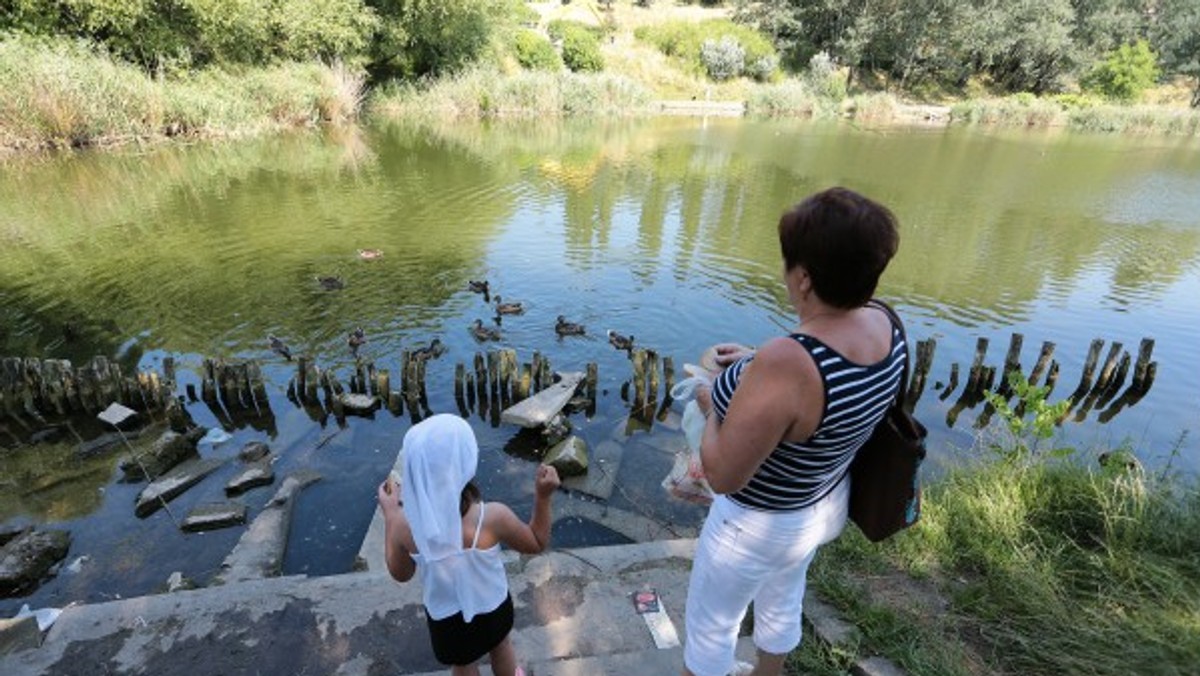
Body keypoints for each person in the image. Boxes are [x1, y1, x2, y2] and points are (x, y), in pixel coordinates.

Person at [681, 187, 906, 676]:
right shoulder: (887, 323)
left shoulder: (788, 362)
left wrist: (710, 402)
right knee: (783, 597)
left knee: (710, 633)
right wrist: (754, 366)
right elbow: (829, 391)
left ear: (803, 278)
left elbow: (722, 475)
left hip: (758, 525)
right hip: (821, 507)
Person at [376, 414, 561, 676]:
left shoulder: (405, 526)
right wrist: (543, 497)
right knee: (501, 646)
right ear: (465, 462)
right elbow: (536, 542)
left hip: (447, 622)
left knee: (463, 663)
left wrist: (391, 517)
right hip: (494, 608)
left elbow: (401, 573)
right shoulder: (492, 517)